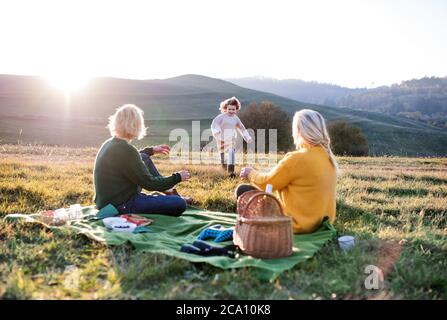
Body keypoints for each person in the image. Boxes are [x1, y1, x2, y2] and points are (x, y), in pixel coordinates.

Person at [238, 109, 338, 233]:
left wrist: (250, 172)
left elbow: (266, 183)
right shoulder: (327, 156)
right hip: (321, 224)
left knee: (242, 190)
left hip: (295, 225)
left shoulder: (296, 159)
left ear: (299, 131)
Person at [93, 104, 190, 216]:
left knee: (143, 157)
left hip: (106, 202)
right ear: (136, 125)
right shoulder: (127, 150)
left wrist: (151, 150)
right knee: (179, 203)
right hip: (121, 205)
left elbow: (132, 159)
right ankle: (171, 194)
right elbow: (150, 184)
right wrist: (178, 177)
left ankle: (169, 191)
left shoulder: (110, 143)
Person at [211, 96, 252, 177]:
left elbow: (241, 128)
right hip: (221, 139)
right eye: (229, 109)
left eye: (233, 109)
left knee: (231, 153)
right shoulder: (221, 117)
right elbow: (214, 124)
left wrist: (247, 137)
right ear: (226, 108)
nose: (231, 111)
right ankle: (224, 169)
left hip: (231, 139)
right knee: (222, 155)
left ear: (236, 109)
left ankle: (231, 172)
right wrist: (216, 131)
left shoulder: (236, 119)